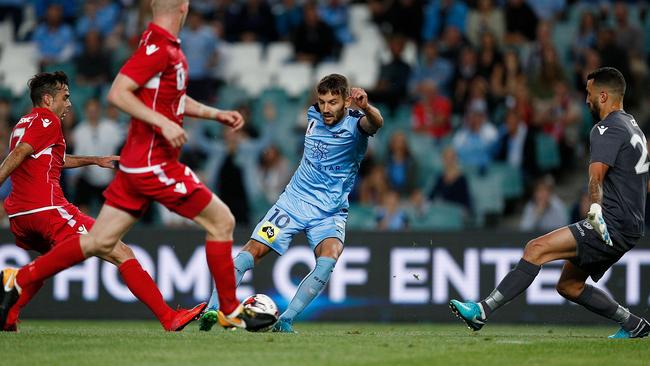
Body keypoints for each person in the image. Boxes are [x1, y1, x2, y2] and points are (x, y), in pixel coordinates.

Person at [0, 0, 270, 332]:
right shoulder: (158, 46)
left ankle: (15, 291)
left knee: (101, 243)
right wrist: (166, 124)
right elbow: (118, 93)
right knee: (222, 221)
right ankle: (228, 309)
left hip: (114, 173)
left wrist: (215, 114)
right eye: (65, 97)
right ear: (183, 7)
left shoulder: (160, 46)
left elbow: (171, 100)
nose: (69, 104)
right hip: (151, 163)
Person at [450, 67, 650, 339]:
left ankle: (482, 310)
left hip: (611, 223)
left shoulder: (606, 128)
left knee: (536, 248)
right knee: (570, 286)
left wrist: (595, 209)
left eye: (589, 94)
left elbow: (596, 176)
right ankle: (633, 324)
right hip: (630, 225)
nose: (586, 100)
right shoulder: (632, 125)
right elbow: (643, 181)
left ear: (604, 96)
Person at [0, 71, 205, 331]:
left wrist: (94, 159)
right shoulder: (47, 121)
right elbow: (20, 153)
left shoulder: (23, 123)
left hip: (21, 215)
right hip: (48, 208)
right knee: (121, 251)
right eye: (65, 97)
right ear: (48, 100)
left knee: (48, 264)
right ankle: (168, 317)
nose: (69, 104)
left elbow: (53, 159)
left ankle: (9, 315)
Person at [199, 74, 384, 333]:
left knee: (329, 258)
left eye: (333, 102)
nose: (326, 108)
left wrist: (366, 107)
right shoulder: (313, 115)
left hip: (329, 212)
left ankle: (286, 319)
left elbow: (376, 123)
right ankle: (211, 309)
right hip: (292, 204)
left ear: (346, 101)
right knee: (252, 251)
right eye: (322, 102)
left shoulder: (357, 125)